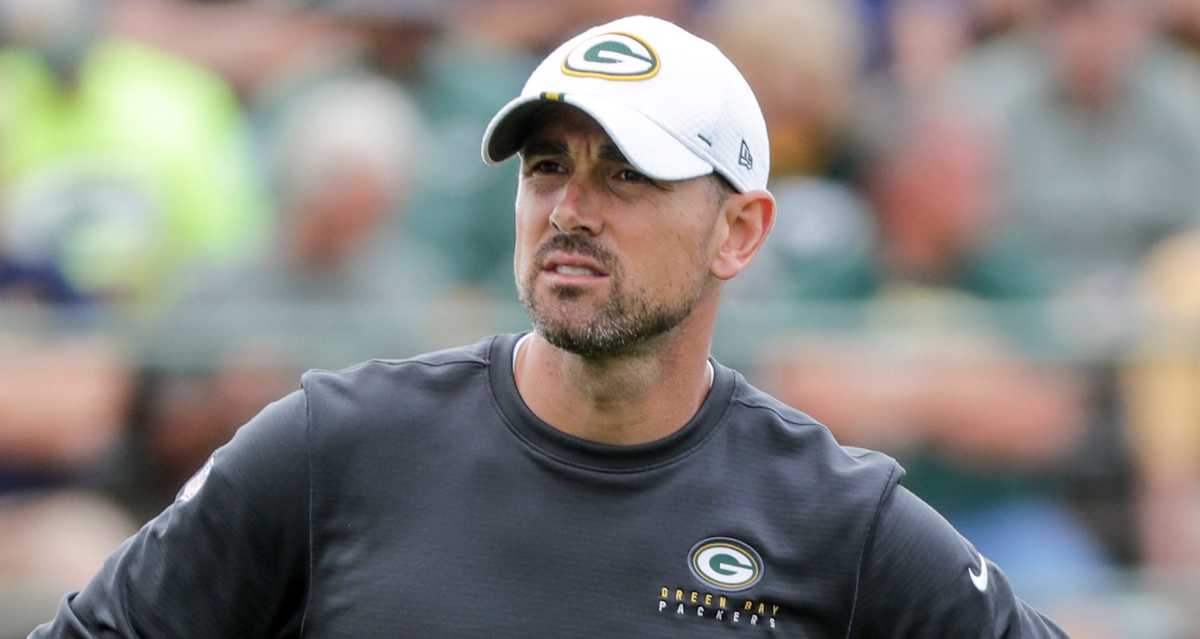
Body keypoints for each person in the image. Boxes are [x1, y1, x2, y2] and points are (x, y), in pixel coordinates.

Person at [29, 15, 1066, 638]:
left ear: (739, 232)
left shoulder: (837, 519)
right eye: (546, 168)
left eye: (627, 175)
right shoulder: (330, 448)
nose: (572, 209)